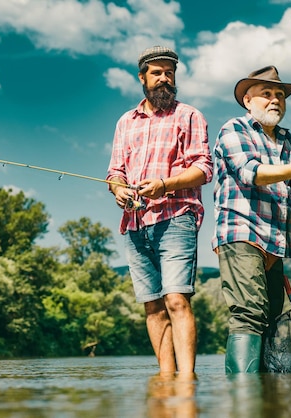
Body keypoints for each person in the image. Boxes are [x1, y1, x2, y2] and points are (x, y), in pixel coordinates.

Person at [107, 46, 213, 374]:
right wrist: (119, 189)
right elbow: (114, 172)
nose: (164, 78)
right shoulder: (125, 121)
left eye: (170, 72)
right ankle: (167, 378)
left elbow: (204, 169)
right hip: (135, 223)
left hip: (177, 216)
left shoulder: (190, 115)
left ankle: (186, 380)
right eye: (157, 73)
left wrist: (165, 185)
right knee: (152, 306)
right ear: (143, 78)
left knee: (177, 299)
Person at [212, 65, 291, 373]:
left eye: (280, 95)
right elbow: (251, 172)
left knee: (271, 316)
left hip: (276, 242)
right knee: (249, 313)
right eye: (266, 94)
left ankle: (264, 397)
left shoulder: (288, 140)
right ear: (248, 100)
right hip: (240, 233)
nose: (275, 99)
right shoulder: (234, 129)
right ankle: (245, 397)